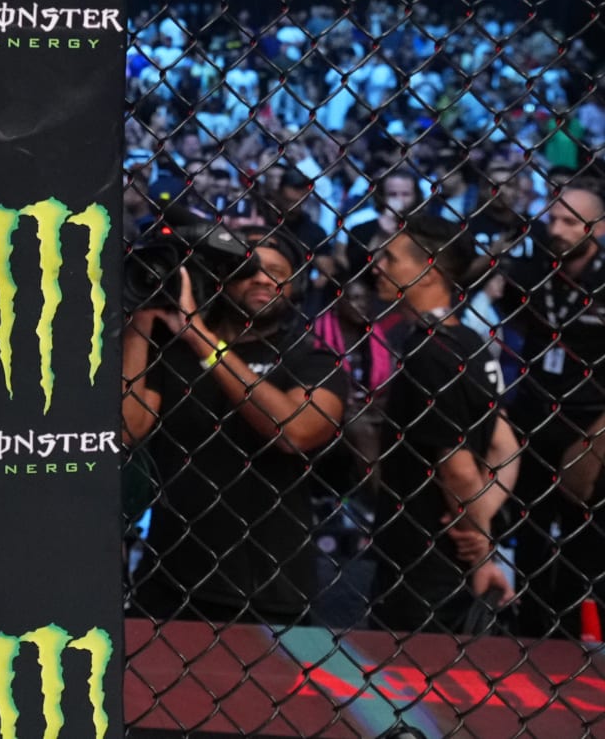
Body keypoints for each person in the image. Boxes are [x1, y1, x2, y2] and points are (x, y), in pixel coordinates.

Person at [123, 231, 347, 624]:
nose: (262, 279)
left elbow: (295, 431)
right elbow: (128, 430)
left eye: (277, 271)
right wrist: (142, 321)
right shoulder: (173, 350)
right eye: (249, 270)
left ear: (293, 288)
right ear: (222, 280)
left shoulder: (310, 357)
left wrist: (201, 339)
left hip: (269, 585)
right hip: (170, 576)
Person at [368, 216, 521, 634]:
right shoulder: (470, 341)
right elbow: (505, 447)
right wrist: (480, 522)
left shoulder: (429, 352)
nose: (378, 266)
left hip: (422, 559)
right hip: (445, 547)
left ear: (429, 271)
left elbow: (459, 468)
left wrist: (480, 548)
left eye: (390, 258)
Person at [504, 179, 605, 636]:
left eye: (570, 221)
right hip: (534, 415)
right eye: (553, 219)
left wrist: (596, 438)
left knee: (586, 539)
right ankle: (529, 628)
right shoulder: (531, 271)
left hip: (590, 421)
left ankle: (575, 635)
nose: (557, 229)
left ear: (596, 228)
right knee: (531, 534)